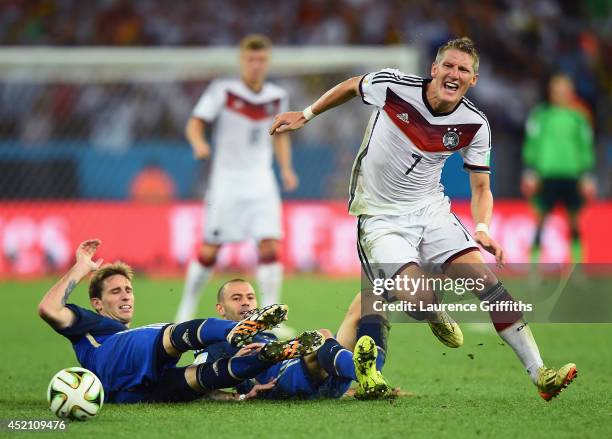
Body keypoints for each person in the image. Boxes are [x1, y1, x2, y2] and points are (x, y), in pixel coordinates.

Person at [270, 37, 577, 401]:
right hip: (380, 217)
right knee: (417, 299)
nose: (454, 73)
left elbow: (481, 187)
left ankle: (540, 373)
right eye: (448, 65)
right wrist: (305, 116)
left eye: (463, 69)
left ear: (473, 80)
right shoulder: (394, 88)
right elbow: (352, 86)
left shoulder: (475, 124)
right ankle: (429, 312)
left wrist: (482, 228)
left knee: (488, 283)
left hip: (431, 212)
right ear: (434, 69)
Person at [37, 239, 324, 404]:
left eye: (128, 290)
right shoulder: (92, 325)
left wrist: (237, 398)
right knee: (169, 333)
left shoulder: (131, 348)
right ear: (97, 304)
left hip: (130, 392)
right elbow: (48, 308)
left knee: (198, 379)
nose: (126, 296)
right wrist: (81, 268)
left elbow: (204, 390)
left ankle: (264, 356)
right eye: (115, 291)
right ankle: (234, 330)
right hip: (112, 362)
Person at [176, 34, 298, 337]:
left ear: (267, 62)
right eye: (250, 60)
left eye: (261, 60)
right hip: (226, 182)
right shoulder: (223, 90)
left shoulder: (276, 96)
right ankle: (185, 310)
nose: (256, 65)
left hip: (261, 181)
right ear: (242, 61)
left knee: (269, 244)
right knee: (210, 248)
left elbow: (281, 134)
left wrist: (285, 168)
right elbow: (195, 122)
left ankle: (271, 317)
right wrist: (198, 143)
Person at [193, 279, 395, 399]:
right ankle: (369, 376)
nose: (246, 303)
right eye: (236, 298)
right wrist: (240, 396)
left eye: (250, 297)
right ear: (220, 308)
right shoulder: (216, 342)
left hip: (317, 375)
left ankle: (370, 379)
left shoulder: (267, 334)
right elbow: (194, 383)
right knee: (322, 335)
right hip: (285, 381)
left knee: (370, 298)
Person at [521, 73, 596, 263]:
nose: (561, 93)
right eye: (557, 90)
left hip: (572, 174)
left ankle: (578, 269)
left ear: (571, 93)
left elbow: (585, 145)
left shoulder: (579, 117)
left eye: (565, 90)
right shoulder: (541, 116)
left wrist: (587, 174)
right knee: (540, 219)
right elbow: (532, 143)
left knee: (575, 221)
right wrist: (530, 171)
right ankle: (534, 268)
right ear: (551, 92)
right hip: (546, 174)